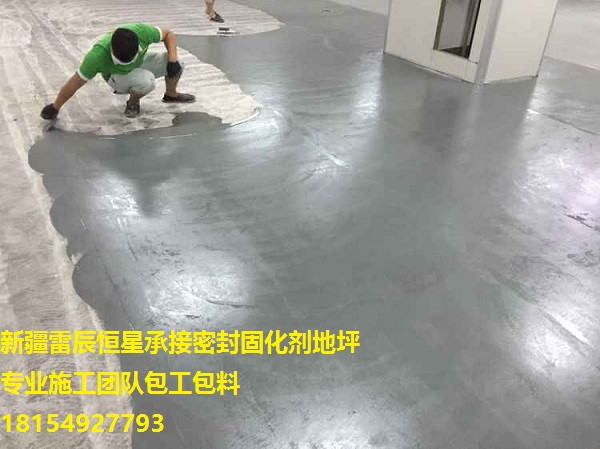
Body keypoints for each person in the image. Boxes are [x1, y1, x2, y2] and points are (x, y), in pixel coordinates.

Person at [40, 23, 195, 121]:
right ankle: (133, 102)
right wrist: (55, 106)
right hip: (115, 76)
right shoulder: (97, 56)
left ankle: (171, 95)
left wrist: (172, 60)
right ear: (112, 50)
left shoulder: (142, 32)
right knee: (147, 81)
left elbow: (168, 34)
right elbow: (75, 82)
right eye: (120, 61)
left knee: (178, 63)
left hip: (140, 62)